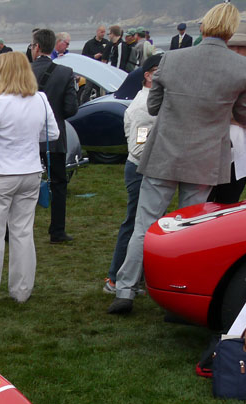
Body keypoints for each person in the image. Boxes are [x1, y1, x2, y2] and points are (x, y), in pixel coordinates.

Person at [108, 2, 246, 314]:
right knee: (190, 231)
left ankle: (125, 289)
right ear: (231, 30)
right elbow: (245, 115)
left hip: (165, 152)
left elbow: (153, 106)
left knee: (144, 225)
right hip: (205, 158)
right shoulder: (242, 68)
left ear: (203, 27)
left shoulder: (172, 59)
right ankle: (179, 291)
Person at [0, 52, 60, 306]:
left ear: (3, 74)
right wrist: (25, 137)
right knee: (22, 232)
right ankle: (21, 290)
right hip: (30, 173)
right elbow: (52, 133)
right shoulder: (40, 99)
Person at [105, 55, 161, 294]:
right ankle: (115, 279)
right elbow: (138, 148)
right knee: (135, 225)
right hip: (141, 170)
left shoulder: (152, 101)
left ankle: (137, 277)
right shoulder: (144, 107)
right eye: (159, 70)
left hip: (147, 169)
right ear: (148, 75)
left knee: (145, 225)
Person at [208, 27, 246, 204]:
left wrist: (231, 116)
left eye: (242, 47)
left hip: (242, 150)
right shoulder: (212, 73)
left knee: (230, 200)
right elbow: (208, 109)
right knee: (203, 202)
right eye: (232, 46)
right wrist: (243, 115)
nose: (236, 51)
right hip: (211, 148)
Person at [31, 28, 78, 243]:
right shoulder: (65, 72)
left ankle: (14, 230)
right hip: (54, 136)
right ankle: (57, 230)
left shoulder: (24, 71)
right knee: (58, 184)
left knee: (22, 185)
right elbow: (71, 108)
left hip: (28, 137)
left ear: (37, 47)